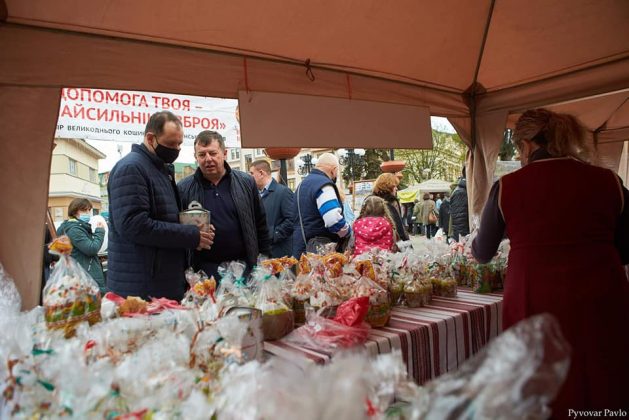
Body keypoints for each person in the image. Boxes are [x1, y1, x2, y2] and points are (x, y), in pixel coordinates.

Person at [471, 108, 629, 413]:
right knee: (601, 371)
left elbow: (483, 251)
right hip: (601, 296)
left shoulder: (508, 187)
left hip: (535, 298)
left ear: (528, 145)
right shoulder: (608, 181)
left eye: (518, 149)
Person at [107, 111, 214, 301]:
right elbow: (134, 225)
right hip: (141, 287)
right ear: (150, 138)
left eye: (180, 144)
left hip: (159, 281)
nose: (176, 149)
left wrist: (196, 228)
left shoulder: (159, 169)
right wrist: (190, 235)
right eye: (171, 144)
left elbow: (165, 217)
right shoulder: (132, 168)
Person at [179, 131, 270, 279]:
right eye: (202, 155)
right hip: (204, 273)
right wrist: (192, 235)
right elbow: (177, 231)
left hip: (244, 270)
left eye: (213, 153)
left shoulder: (246, 182)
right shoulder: (183, 188)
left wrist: (265, 262)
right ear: (196, 157)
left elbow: (260, 225)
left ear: (224, 153)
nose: (208, 159)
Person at [292, 153, 352, 258]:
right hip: (321, 251)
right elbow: (333, 219)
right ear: (334, 170)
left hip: (301, 247)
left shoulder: (302, 184)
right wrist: (347, 232)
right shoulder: (324, 184)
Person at [56, 198, 106, 293]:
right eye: (84, 210)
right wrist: (100, 231)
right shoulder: (74, 229)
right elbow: (91, 249)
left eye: (89, 210)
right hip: (85, 276)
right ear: (74, 212)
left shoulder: (78, 227)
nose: (87, 213)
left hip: (83, 274)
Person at [249, 159, 295, 258]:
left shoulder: (283, 192)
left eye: (252, 173)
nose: (250, 177)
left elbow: (292, 220)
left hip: (280, 255)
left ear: (261, 173)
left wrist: (273, 235)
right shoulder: (255, 195)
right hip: (263, 254)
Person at [373, 173, 409, 242]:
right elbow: (399, 226)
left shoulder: (370, 199)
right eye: (394, 186)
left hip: (372, 241)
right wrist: (407, 244)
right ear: (388, 186)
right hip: (390, 242)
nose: (396, 189)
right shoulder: (392, 201)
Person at [449, 167, 469, 241]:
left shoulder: (465, 189)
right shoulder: (461, 192)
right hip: (467, 239)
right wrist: (463, 242)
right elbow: (459, 221)